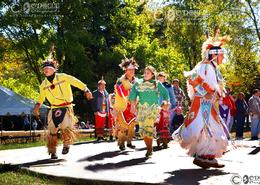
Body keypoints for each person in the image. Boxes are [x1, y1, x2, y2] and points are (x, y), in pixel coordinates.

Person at [173, 27, 230, 168]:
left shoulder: (212, 68)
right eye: (221, 55)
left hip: (208, 104)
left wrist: (213, 93)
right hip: (204, 105)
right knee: (205, 129)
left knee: (211, 129)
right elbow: (193, 80)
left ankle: (208, 158)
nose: (223, 57)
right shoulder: (205, 66)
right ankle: (202, 157)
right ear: (214, 54)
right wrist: (208, 92)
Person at [33, 57, 92, 159]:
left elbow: (75, 81)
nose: (46, 70)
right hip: (54, 108)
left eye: (48, 68)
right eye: (44, 68)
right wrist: (36, 107)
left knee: (66, 127)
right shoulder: (43, 85)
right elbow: (41, 98)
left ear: (54, 69)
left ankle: (66, 145)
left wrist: (86, 90)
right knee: (52, 130)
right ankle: (52, 151)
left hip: (66, 107)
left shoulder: (63, 77)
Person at [129, 66, 169, 157]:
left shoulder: (156, 83)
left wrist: (165, 102)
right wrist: (132, 105)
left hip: (152, 109)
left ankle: (149, 149)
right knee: (142, 132)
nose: (146, 74)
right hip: (141, 110)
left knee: (148, 128)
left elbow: (165, 93)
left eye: (148, 73)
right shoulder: (138, 83)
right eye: (145, 73)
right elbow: (133, 95)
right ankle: (149, 147)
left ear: (152, 75)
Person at [114, 57, 139, 150]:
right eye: (130, 69)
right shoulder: (120, 80)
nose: (132, 71)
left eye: (133, 69)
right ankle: (121, 143)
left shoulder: (136, 81)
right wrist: (128, 93)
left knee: (132, 125)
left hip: (132, 105)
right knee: (123, 125)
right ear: (126, 70)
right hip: (122, 106)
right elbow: (119, 90)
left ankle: (129, 142)